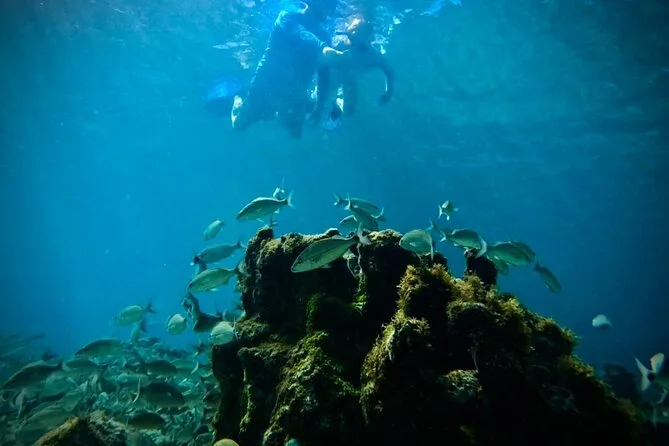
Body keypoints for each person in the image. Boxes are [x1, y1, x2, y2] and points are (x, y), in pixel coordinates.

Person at [231, 1, 344, 138]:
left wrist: (320, 107)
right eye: (326, 7)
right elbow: (301, 36)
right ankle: (239, 101)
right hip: (265, 84)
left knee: (295, 133)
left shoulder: (324, 36)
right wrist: (322, 47)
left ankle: (274, 114)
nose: (327, 13)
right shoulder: (287, 17)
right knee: (239, 125)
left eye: (330, 9)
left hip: (295, 92)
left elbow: (324, 76)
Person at [311, 16, 395, 128]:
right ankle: (332, 108)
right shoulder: (337, 42)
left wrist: (388, 92)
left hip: (349, 80)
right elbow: (320, 59)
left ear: (367, 36)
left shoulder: (371, 55)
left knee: (349, 111)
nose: (355, 31)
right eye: (354, 27)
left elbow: (389, 71)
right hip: (331, 77)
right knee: (317, 99)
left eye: (359, 29)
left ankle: (336, 110)